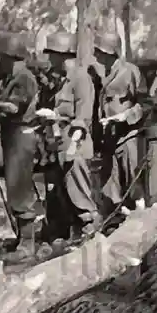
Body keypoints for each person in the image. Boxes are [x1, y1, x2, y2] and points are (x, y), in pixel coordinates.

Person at [42, 30, 101, 241]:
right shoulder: (62, 81)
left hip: (76, 146)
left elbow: (82, 119)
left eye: (51, 54)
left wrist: (72, 149)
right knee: (63, 196)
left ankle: (92, 235)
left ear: (62, 54)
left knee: (80, 195)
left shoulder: (81, 79)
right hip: (62, 145)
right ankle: (72, 241)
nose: (48, 58)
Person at [0, 32, 40, 262]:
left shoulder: (24, 79)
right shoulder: (14, 78)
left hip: (21, 135)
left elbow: (14, 108)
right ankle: (23, 237)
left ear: (10, 56)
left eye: (2, 57)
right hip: (13, 135)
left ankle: (28, 243)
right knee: (14, 187)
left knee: (20, 187)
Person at [96, 31, 148, 223]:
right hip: (110, 137)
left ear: (111, 52)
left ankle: (142, 221)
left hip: (128, 136)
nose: (97, 57)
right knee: (112, 183)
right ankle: (116, 221)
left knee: (134, 181)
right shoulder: (106, 74)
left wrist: (125, 116)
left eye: (100, 52)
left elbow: (146, 103)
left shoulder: (130, 71)